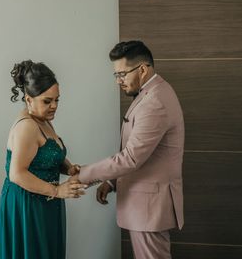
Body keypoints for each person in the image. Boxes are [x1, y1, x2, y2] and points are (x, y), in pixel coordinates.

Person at [74, 41, 184, 259]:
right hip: (146, 203)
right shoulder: (151, 92)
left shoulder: (155, 102)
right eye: (116, 75)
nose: (118, 81)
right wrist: (112, 181)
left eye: (122, 74)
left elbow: (132, 157)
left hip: (149, 206)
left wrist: (83, 175)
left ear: (142, 69)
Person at [0, 60, 85, 259]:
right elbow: (17, 173)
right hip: (27, 203)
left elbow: (46, 154)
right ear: (29, 99)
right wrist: (57, 190)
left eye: (57, 100)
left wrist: (69, 168)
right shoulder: (27, 127)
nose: (54, 106)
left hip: (46, 200)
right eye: (47, 101)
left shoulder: (43, 120)